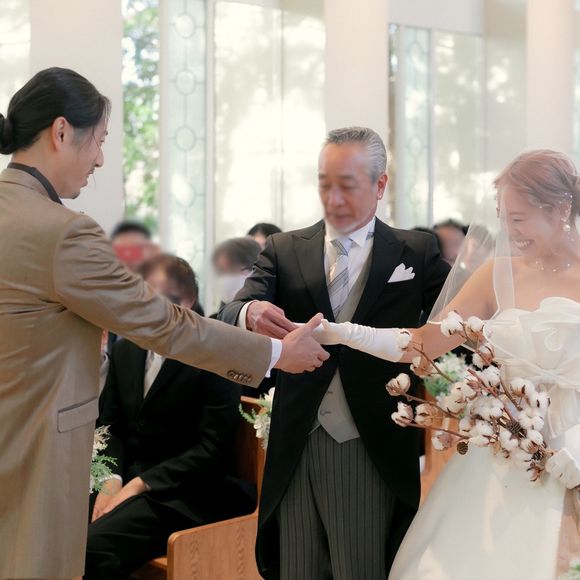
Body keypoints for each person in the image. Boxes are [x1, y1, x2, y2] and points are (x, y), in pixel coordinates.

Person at [0, 67, 328, 580]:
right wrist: (276, 354)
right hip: (36, 451)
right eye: (99, 140)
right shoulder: (61, 233)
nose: (100, 159)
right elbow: (165, 324)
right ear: (61, 132)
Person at [318, 150, 580, 579]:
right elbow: (423, 344)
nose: (509, 232)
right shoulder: (496, 274)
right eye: (503, 219)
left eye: (519, 219)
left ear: (560, 209)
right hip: (502, 450)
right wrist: (345, 332)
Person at [220, 126, 450, 579]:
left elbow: (456, 324)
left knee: (360, 569)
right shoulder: (284, 248)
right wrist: (250, 311)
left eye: (347, 185)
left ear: (380, 185)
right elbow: (229, 311)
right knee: (296, 568)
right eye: (324, 183)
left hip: (372, 443)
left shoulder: (416, 251)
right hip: (294, 443)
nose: (333, 198)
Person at [85, 254, 254, 579]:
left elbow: (210, 448)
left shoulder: (215, 355)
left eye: (164, 300)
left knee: (92, 547)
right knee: (57, 524)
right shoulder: (127, 349)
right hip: (125, 478)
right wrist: (109, 479)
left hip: (183, 491)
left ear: (188, 302)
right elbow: (110, 426)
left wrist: (138, 485)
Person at [212, 236, 262, 307]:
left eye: (232, 271)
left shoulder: (270, 305)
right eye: (221, 272)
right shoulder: (225, 307)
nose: (226, 278)